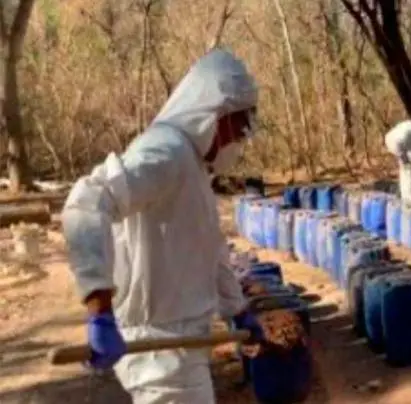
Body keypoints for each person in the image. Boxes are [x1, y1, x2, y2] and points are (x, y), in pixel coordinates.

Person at [61, 49, 262, 403]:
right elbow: (87, 202)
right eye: (239, 127)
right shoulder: (165, 153)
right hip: (159, 352)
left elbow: (208, 251)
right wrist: (99, 308)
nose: (239, 140)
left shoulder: (192, 167)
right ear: (215, 115)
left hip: (180, 348)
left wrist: (238, 310)